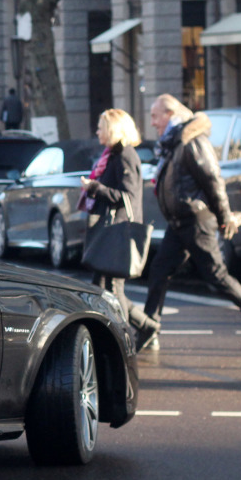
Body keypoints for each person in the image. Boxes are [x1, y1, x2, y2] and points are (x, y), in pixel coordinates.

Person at [138, 94, 241, 352]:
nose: (152, 122)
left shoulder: (192, 142)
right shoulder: (174, 143)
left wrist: (225, 217)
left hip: (195, 220)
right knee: (159, 271)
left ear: (170, 114)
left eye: (155, 116)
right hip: (178, 222)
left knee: (216, 275)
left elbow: (213, 181)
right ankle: (150, 328)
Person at [80, 109, 158, 338]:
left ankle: (124, 339)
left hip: (119, 230)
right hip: (110, 229)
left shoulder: (125, 155)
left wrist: (95, 188)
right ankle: (146, 327)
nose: (97, 131)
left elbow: (129, 195)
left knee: (112, 289)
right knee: (104, 287)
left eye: (101, 127)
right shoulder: (112, 155)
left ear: (113, 129)